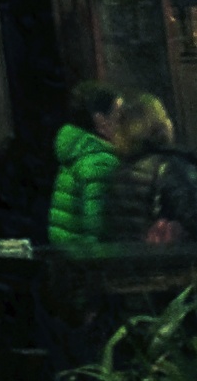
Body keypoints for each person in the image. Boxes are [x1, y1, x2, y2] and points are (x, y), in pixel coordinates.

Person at [47, 79, 145, 252]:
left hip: (69, 256)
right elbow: (100, 227)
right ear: (100, 121)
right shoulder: (101, 162)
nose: (125, 124)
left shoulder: (75, 154)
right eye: (119, 116)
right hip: (93, 263)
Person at [112, 94, 197, 245]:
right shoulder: (170, 166)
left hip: (133, 263)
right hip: (170, 263)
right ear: (159, 125)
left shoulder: (120, 170)